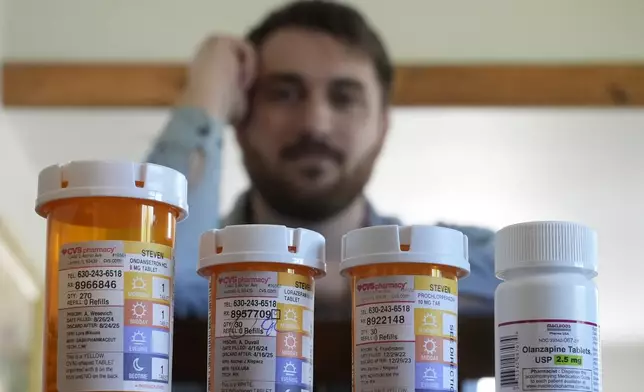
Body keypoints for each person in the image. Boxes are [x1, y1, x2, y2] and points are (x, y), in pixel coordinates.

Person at [147, 0, 498, 389]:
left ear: (381, 127)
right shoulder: (188, 263)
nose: (315, 123)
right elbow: (145, 280)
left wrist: (363, 282)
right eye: (283, 94)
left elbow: (553, 290)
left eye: (344, 98)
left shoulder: (461, 259)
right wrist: (204, 99)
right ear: (240, 118)